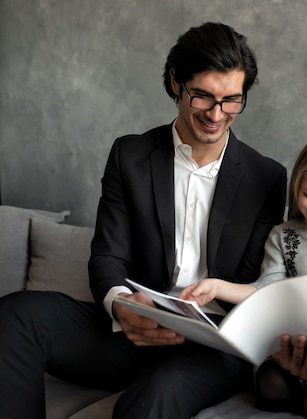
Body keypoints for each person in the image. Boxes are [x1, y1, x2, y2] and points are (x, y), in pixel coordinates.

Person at [0, 22, 287, 418]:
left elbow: (258, 280)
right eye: (202, 96)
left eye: (232, 100)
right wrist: (121, 307)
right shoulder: (129, 155)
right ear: (175, 82)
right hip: (132, 330)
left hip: (210, 347)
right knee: (16, 315)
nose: (216, 115)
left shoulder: (266, 177)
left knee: (152, 398)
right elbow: (107, 257)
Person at [180, 133, 307, 418]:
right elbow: (266, 287)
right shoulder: (283, 235)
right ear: (297, 184)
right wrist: (217, 287)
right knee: (270, 387)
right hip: (288, 347)